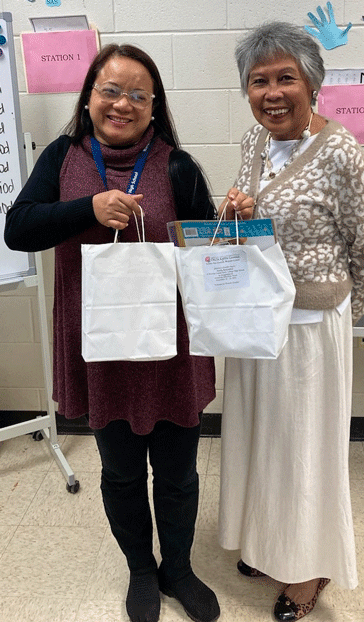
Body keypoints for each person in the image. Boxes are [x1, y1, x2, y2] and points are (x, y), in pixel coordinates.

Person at [5, 44, 220, 622]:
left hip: (171, 349)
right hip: (100, 349)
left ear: (154, 107)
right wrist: (89, 208)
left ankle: (179, 569)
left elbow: (208, 248)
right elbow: (18, 229)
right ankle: (141, 570)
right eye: (111, 90)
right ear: (88, 97)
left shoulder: (177, 164)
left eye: (138, 95)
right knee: (121, 473)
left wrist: (231, 219)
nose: (122, 104)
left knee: (178, 476)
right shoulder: (62, 157)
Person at [217, 22, 364, 621]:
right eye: (258, 80)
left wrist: (337, 317)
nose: (272, 93)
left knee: (304, 452)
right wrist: (236, 210)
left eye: (285, 78)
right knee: (262, 439)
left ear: (312, 84)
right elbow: (255, 215)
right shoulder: (254, 141)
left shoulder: (341, 152)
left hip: (310, 332)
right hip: (256, 321)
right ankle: (268, 542)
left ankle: (309, 567)